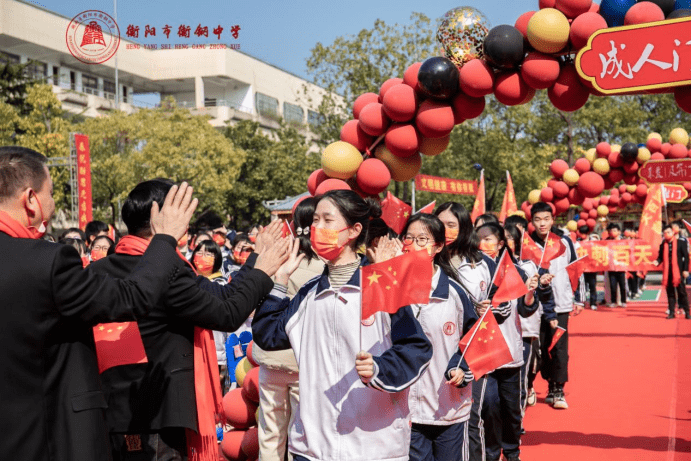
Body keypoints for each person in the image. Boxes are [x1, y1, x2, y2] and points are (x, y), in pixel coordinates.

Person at [0, 146, 197, 461]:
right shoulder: (47, 262)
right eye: (51, 193)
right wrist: (165, 240)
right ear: (31, 199)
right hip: (52, 438)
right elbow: (133, 296)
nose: (52, 204)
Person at [88, 179, 291, 461]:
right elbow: (227, 313)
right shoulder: (167, 273)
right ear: (163, 217)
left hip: (112, 411)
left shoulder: (100, 269)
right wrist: (263, 271)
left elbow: (221, 296)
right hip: (156, 417)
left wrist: (256, 260)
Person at [252, 190, 432, 461]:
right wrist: (279, 283)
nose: (317, 228)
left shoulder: (383, 287)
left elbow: (416, 348)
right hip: (312, 447)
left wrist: (380, 368)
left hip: (374, 446)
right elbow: (268, 335)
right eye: (314, 221)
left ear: (353, 230)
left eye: (327, 221)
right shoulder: (309, 294)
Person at [400, 213, 477, 461]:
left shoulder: (454, 293)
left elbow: (476, 337)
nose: (414, 245)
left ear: (439, 245)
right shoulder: (392, 288)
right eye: (409, 238)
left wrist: (461, 367)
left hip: (448, 405)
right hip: (405, 408)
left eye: (423, 239)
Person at [253, 197, 324, 461]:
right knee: (301, 436)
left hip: (269, 358)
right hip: (302, 361)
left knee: (270, 435)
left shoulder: (277, 259)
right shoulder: (326, 266)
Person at [473, 222, 543, 461]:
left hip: (511, 351)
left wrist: (531, 292)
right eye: (478, 238)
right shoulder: (470, 271)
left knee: (511, 410)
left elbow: (524, 310)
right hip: (484, 353)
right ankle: (492, 453)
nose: (482, 244)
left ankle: (512, 452)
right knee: (490, 407)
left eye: (488, 239)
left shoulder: (517, 272)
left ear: (501, 243)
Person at [531, 202, 584, 410]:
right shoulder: (527, 244)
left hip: (561, 304)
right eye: (537, 219)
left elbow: (575, 269)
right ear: (532, 221)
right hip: (534, 307)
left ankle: (557, 388)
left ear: (553, 220)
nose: (542, 224)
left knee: (559, 349)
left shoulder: (564, 242)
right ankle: (533, 386)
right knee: (539, 348)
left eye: (546, 219)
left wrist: (578, 298)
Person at [504, 224, 555, 429]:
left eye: (508, 237)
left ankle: (516, 423)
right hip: (497, 334)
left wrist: (541, 285)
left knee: (521, 380)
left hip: (525, 330)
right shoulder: (484, 267)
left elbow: (543, 295)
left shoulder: (529, 266)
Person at [656, 224, 690, 319]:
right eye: (665, 233)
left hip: (678, 271)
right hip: (668, 272)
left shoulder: (681, 243)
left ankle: (687, 311)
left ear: (673, 232)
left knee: (682, 292)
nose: (666, 234)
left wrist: (686, 269)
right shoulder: (663, 244)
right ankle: (671, 312)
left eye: (668, 232)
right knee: (670, 293)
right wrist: (656, 262)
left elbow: (686, 257)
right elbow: (660, 257)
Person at [605, 223, 627, 308]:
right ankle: (613, 301)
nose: (612, 232)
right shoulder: (607, 241)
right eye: (611, 231)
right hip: (611, 267)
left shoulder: (624, 241)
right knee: (613, 285)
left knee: (622, 285)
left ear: (619, 232)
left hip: (621, 266)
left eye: (614, 230)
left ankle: (623, 301)